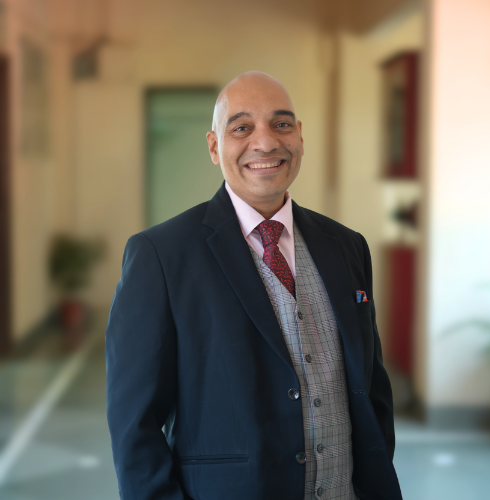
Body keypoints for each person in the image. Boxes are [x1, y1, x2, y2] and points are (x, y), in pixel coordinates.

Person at [105, 71, 402, 500]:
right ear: (214, 147)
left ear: (300, 137)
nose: (265, 142)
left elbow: (372, 389)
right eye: (242, 128)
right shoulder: (160, 255)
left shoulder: (346, 246)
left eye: (281, 124)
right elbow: (135, 424)